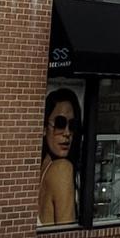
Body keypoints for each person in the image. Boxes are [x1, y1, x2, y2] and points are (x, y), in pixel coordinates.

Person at [38, 87, 81, 225]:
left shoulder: (42, 168)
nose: (67, 133)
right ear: (44, 128)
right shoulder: (62, 169)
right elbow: (66, 237)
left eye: (72, 125)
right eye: (60, 124)